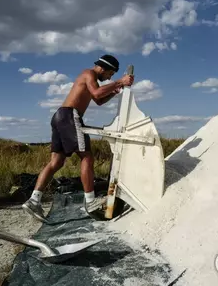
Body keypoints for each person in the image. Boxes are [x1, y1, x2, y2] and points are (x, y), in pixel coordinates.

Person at [22, 54, 134, 221]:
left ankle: (34, 200)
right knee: (87, 157)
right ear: (103, 68)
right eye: (110, 74)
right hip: (69, 116)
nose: (109, 77)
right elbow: (97, 92)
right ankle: (90, 201)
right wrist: (120, 82)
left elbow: (98, 100)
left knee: (56, 162)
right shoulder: (89, 73)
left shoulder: (91, 78)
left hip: (60, 116)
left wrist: (115, 91)